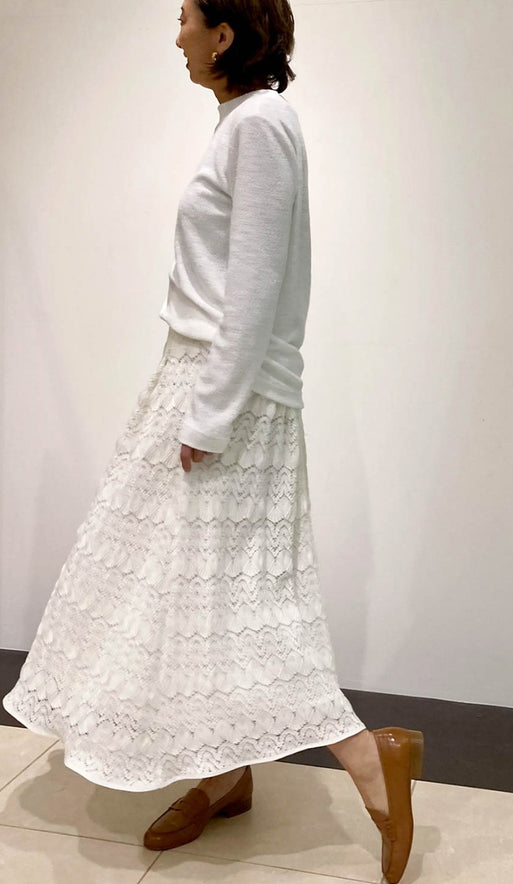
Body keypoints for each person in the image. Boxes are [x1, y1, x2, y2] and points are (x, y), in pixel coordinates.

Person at [2, 0, 424, 881]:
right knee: (195, 599)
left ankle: (369, 756)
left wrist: (210, 416)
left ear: (225, 34)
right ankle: (225, 774)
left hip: (224, 394)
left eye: (187, 17)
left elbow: (256, 286)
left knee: (243, 602)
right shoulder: (242, 123)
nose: (179, 35)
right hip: (205, 382)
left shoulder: (260, 125)